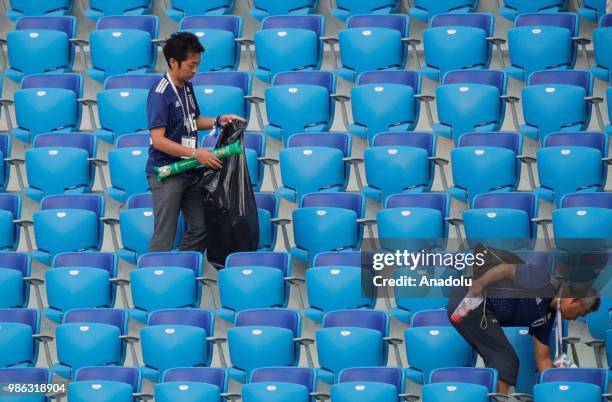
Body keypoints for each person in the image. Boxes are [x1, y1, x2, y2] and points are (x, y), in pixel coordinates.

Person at [448, 250, 600, 395]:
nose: (575, 319)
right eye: (580, 313)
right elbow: (504, 270)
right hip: (471, 300)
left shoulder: (547, 316)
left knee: (501, 359)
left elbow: (543, 358)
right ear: (574, 300)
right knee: (505, 358)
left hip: (481, 310)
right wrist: (479, 285)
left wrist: (556, 389)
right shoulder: (542, 279)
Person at [146, 32, 244, 253]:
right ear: (173, 62)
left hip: (189, 171)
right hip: (166, 173)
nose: (195, 71)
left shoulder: (187, 87)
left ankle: (181, 269)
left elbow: (193, 121)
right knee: (164, 236)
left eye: (197, 65)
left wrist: (219, 121)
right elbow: (158, 140)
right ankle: (156, 280)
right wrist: (196, 154)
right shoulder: (160, 94)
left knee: (202, 227)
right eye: (191, 65)